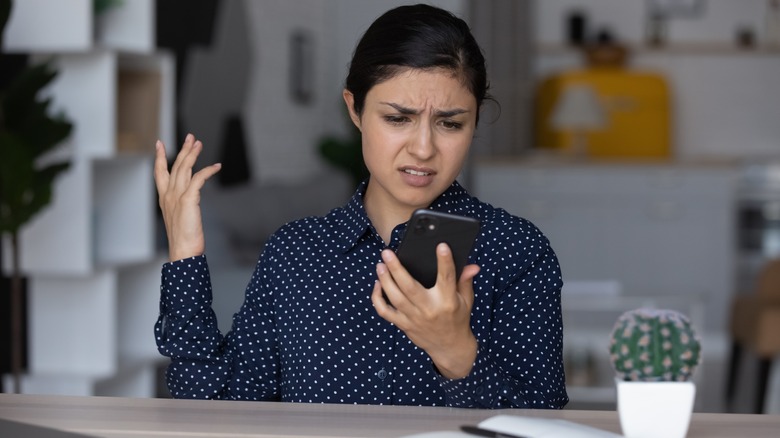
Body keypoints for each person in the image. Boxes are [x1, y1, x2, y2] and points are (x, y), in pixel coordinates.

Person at [154, 3, 568, 409]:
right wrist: (185, 255)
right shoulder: (295, 254)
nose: (423, 148)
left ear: (474, 122)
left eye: (450, 123)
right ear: (355, 109)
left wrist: (457, 353)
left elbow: (543, 423)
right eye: (397, 118)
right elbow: (214, 406)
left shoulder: (516, 252)